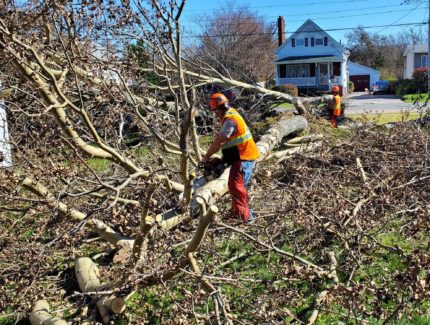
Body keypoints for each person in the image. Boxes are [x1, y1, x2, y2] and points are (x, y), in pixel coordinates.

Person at [200, 93, 260, 224]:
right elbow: (231, 143)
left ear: (220, 108)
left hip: (244, 157)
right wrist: (222, 160)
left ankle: (246, 217)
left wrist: (205, 158)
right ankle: (237, 213)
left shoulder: (230, 121)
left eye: (216, 111)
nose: (216, 115)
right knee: (236, 186)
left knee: (235, 186)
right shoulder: (231, 115)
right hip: (240, 156)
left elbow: (218, 142)